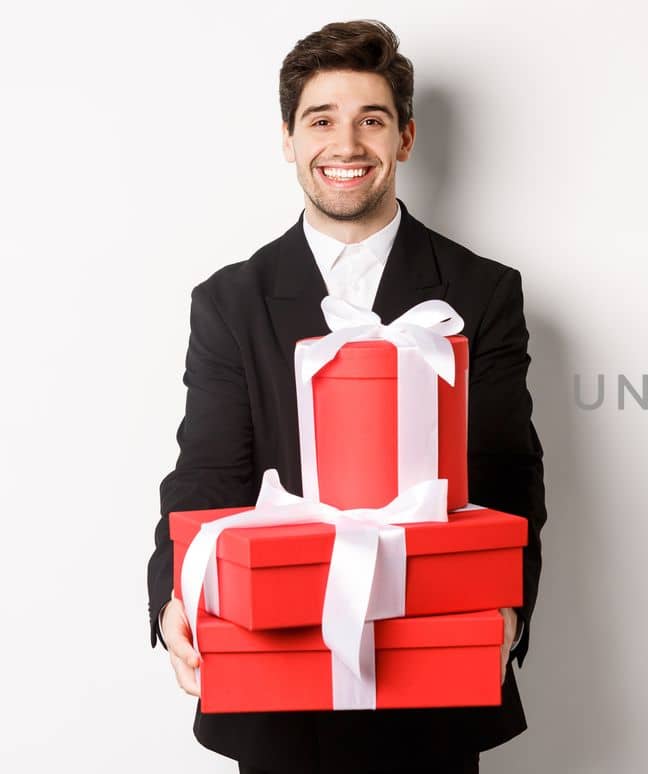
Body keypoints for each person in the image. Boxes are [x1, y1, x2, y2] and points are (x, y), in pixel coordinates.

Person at [143, 20, 547, 773]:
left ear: (406, 138)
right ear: (289, 140)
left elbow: (504, 471)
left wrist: (505, 607)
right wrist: (174, 591)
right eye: (320, 120)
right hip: (278, 674)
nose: (346, 144)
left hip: (434, 670)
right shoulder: (230, 301)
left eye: (372, 119)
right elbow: (206, 471)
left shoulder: (485, 291)